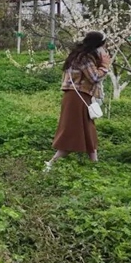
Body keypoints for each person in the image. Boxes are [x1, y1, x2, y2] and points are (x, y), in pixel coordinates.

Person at [45, 31, 111, 172]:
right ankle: (50, 164)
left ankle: (95, 166)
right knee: (73, 133)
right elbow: (94, 77)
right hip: (77, 98)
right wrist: (105, 66)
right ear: (98, 45)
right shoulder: (85, 59)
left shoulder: (79, 56)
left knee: (88, 130)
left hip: (77, 97)